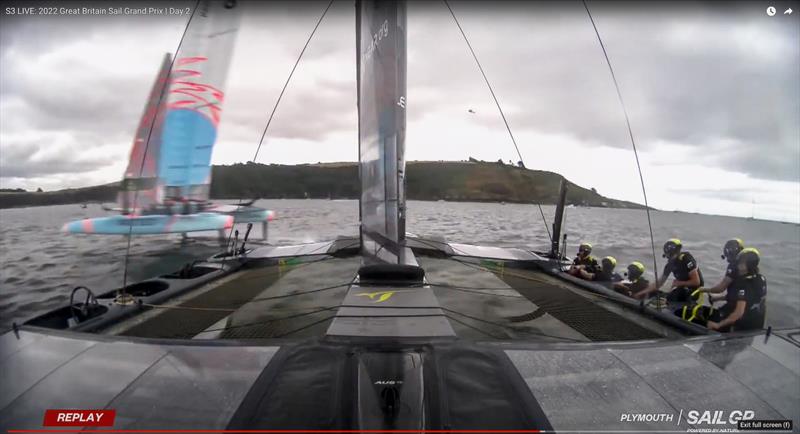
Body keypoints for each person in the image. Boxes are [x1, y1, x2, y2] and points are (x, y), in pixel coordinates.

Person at [706, 248, 766, 332]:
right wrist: (718, 298)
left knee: (712, 319)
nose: (738, 265)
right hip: (757, 323)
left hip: (743, 324)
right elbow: (747, 298)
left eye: (741, 263)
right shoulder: (761, 278)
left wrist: (718, 325)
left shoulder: (743, 283)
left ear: (749, 265)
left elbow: (738, 313)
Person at [632, 239, 704, 302]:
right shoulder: (670, 264)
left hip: (694, 291)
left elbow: (696, 282)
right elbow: (659, 283)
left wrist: (679, 283)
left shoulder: (686, 259)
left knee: (672, 298)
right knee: (666, 296)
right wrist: (642, 293)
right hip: (682, 288)